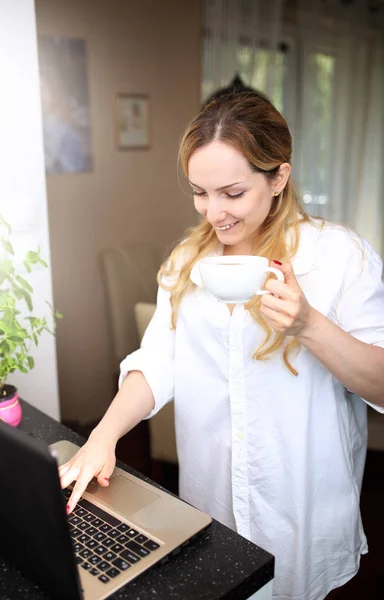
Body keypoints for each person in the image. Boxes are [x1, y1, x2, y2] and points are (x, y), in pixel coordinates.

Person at [59, 91, 384, 600]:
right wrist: (103, 436)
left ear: (278, 177)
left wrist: (308, 325)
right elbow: (156, 361)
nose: (215, 213)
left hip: (302, 512)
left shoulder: (340, 257)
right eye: (199, 192)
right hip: (210, 500)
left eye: (232, 193)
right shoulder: (188, 260)